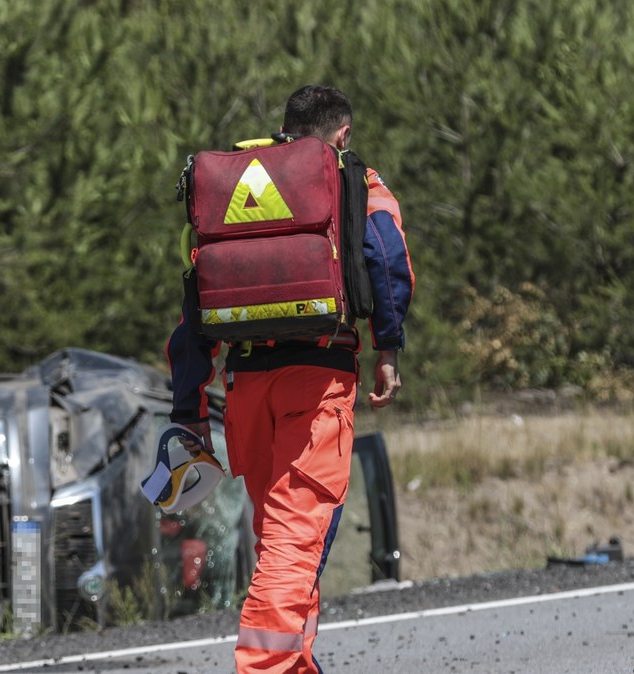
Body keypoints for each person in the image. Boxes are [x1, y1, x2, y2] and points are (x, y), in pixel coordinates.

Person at [166, 84, 414, 674]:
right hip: (316, 380)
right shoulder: (357, 182)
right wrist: (388, 347)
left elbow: (192, 308)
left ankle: (298, 664)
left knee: (281, 539)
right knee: (291, 545)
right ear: (342, 134)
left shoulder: (227, 186)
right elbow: (384, 261)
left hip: (247, 387)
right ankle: (265, 669)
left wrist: (190, 410)